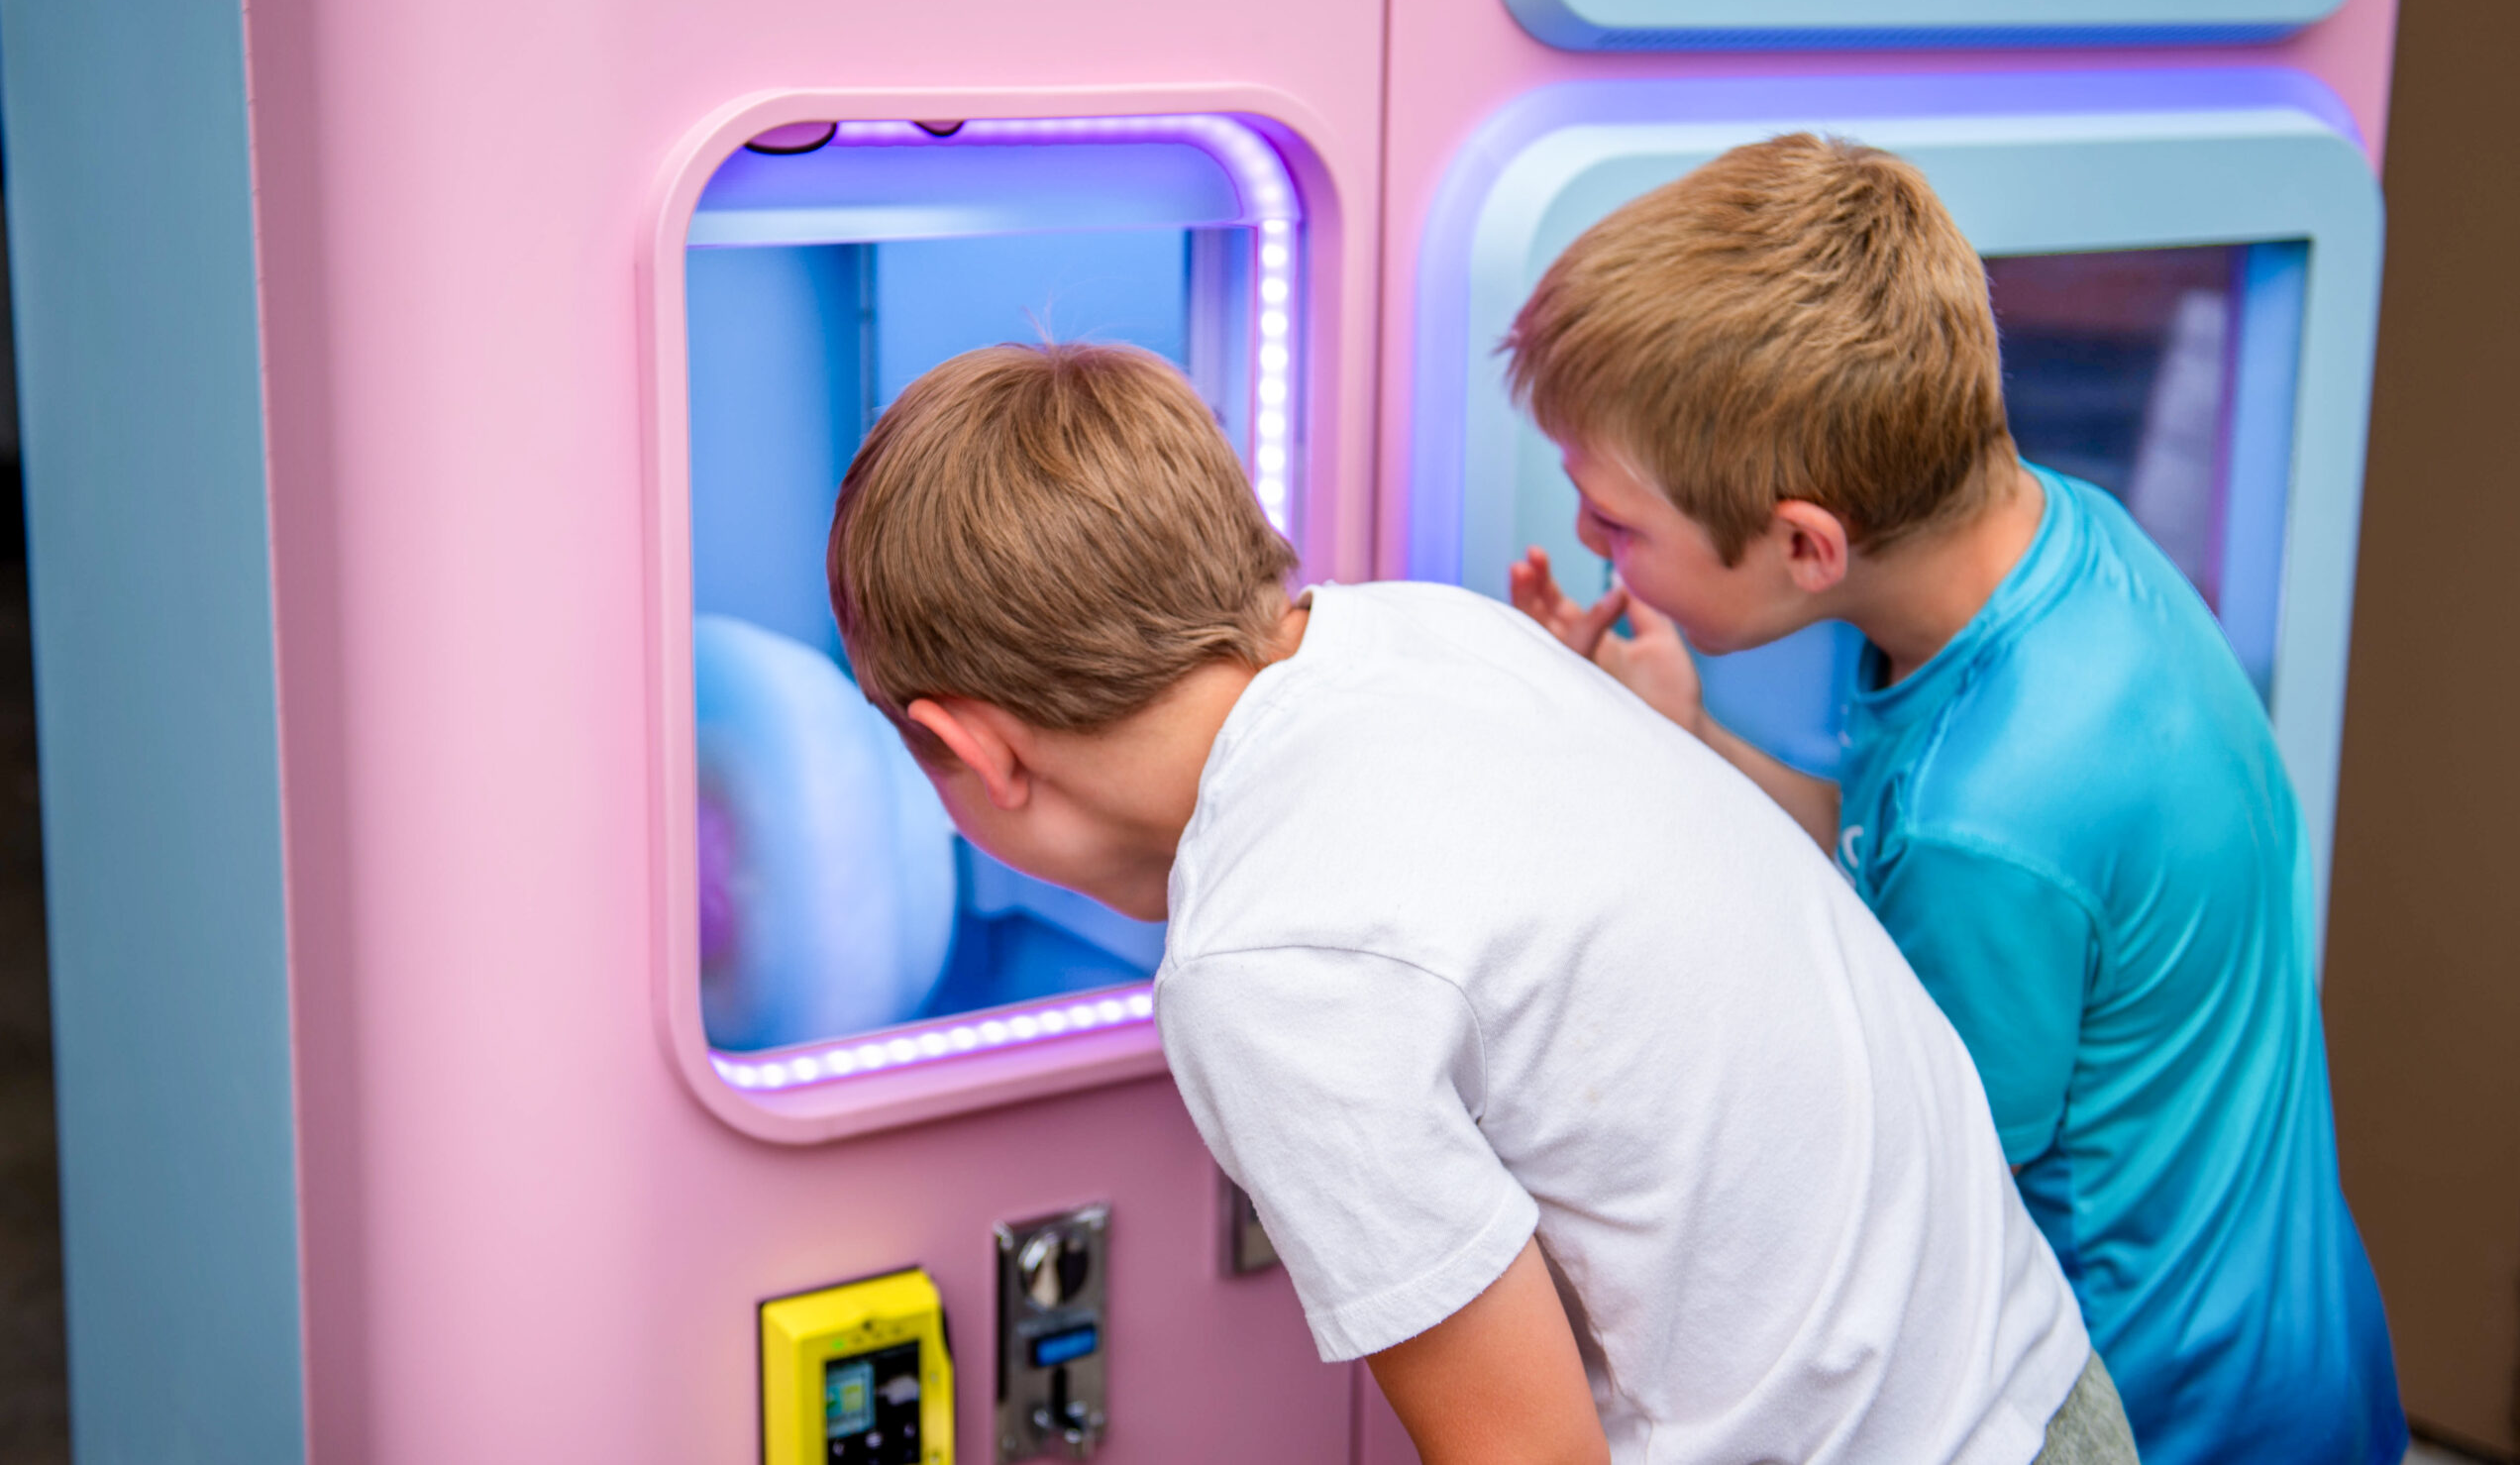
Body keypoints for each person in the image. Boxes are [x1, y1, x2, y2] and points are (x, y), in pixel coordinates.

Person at [827, 342, 2128, 1465]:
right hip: (2032, 1381)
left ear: (977, 751)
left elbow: (1526, 1454)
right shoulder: (1421, 634)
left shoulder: (1268, 962)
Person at [1503, 133, 2404, 1465]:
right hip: (2290, 1338)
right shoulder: (2053, 545)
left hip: (2150, 1410)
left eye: (1622, 522)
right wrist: (1691, 733)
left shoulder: (1999, 811)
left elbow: (1901, 1197)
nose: (1592, 542)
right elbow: (1886, 839)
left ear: (1809, 545)